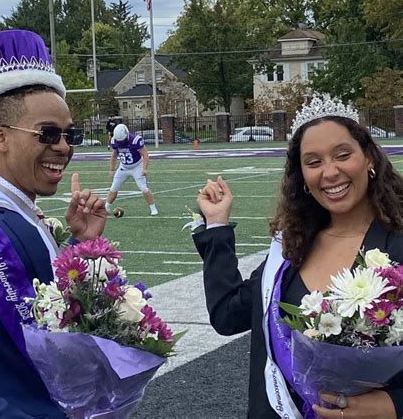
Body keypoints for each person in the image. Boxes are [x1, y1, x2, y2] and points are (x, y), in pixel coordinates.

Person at [0, 30, 107, 419]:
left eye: (69, 134)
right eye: (47, 133)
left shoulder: (27, 215)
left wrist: (82, 245)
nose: (63, 146)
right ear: (1, 138)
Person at [193, 95, 403, 419]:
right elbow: (228, 315)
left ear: (370, 158)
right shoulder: (291, 249)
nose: (330, 172)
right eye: (313, 162)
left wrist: (391, 406)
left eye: (342, 155)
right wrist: (217, 225)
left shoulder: (398, 244)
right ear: (302, 177)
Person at [105, 123, 159, 216]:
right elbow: (114, 155)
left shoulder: (135, 140)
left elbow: (145, 154)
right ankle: (106, 207)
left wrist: (145, 168)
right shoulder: (115, 141)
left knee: (144, 188)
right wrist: (112, 169)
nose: (121, 143)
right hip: (124, 167)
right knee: (114, 187)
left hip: (137, 166)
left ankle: (153, 209)